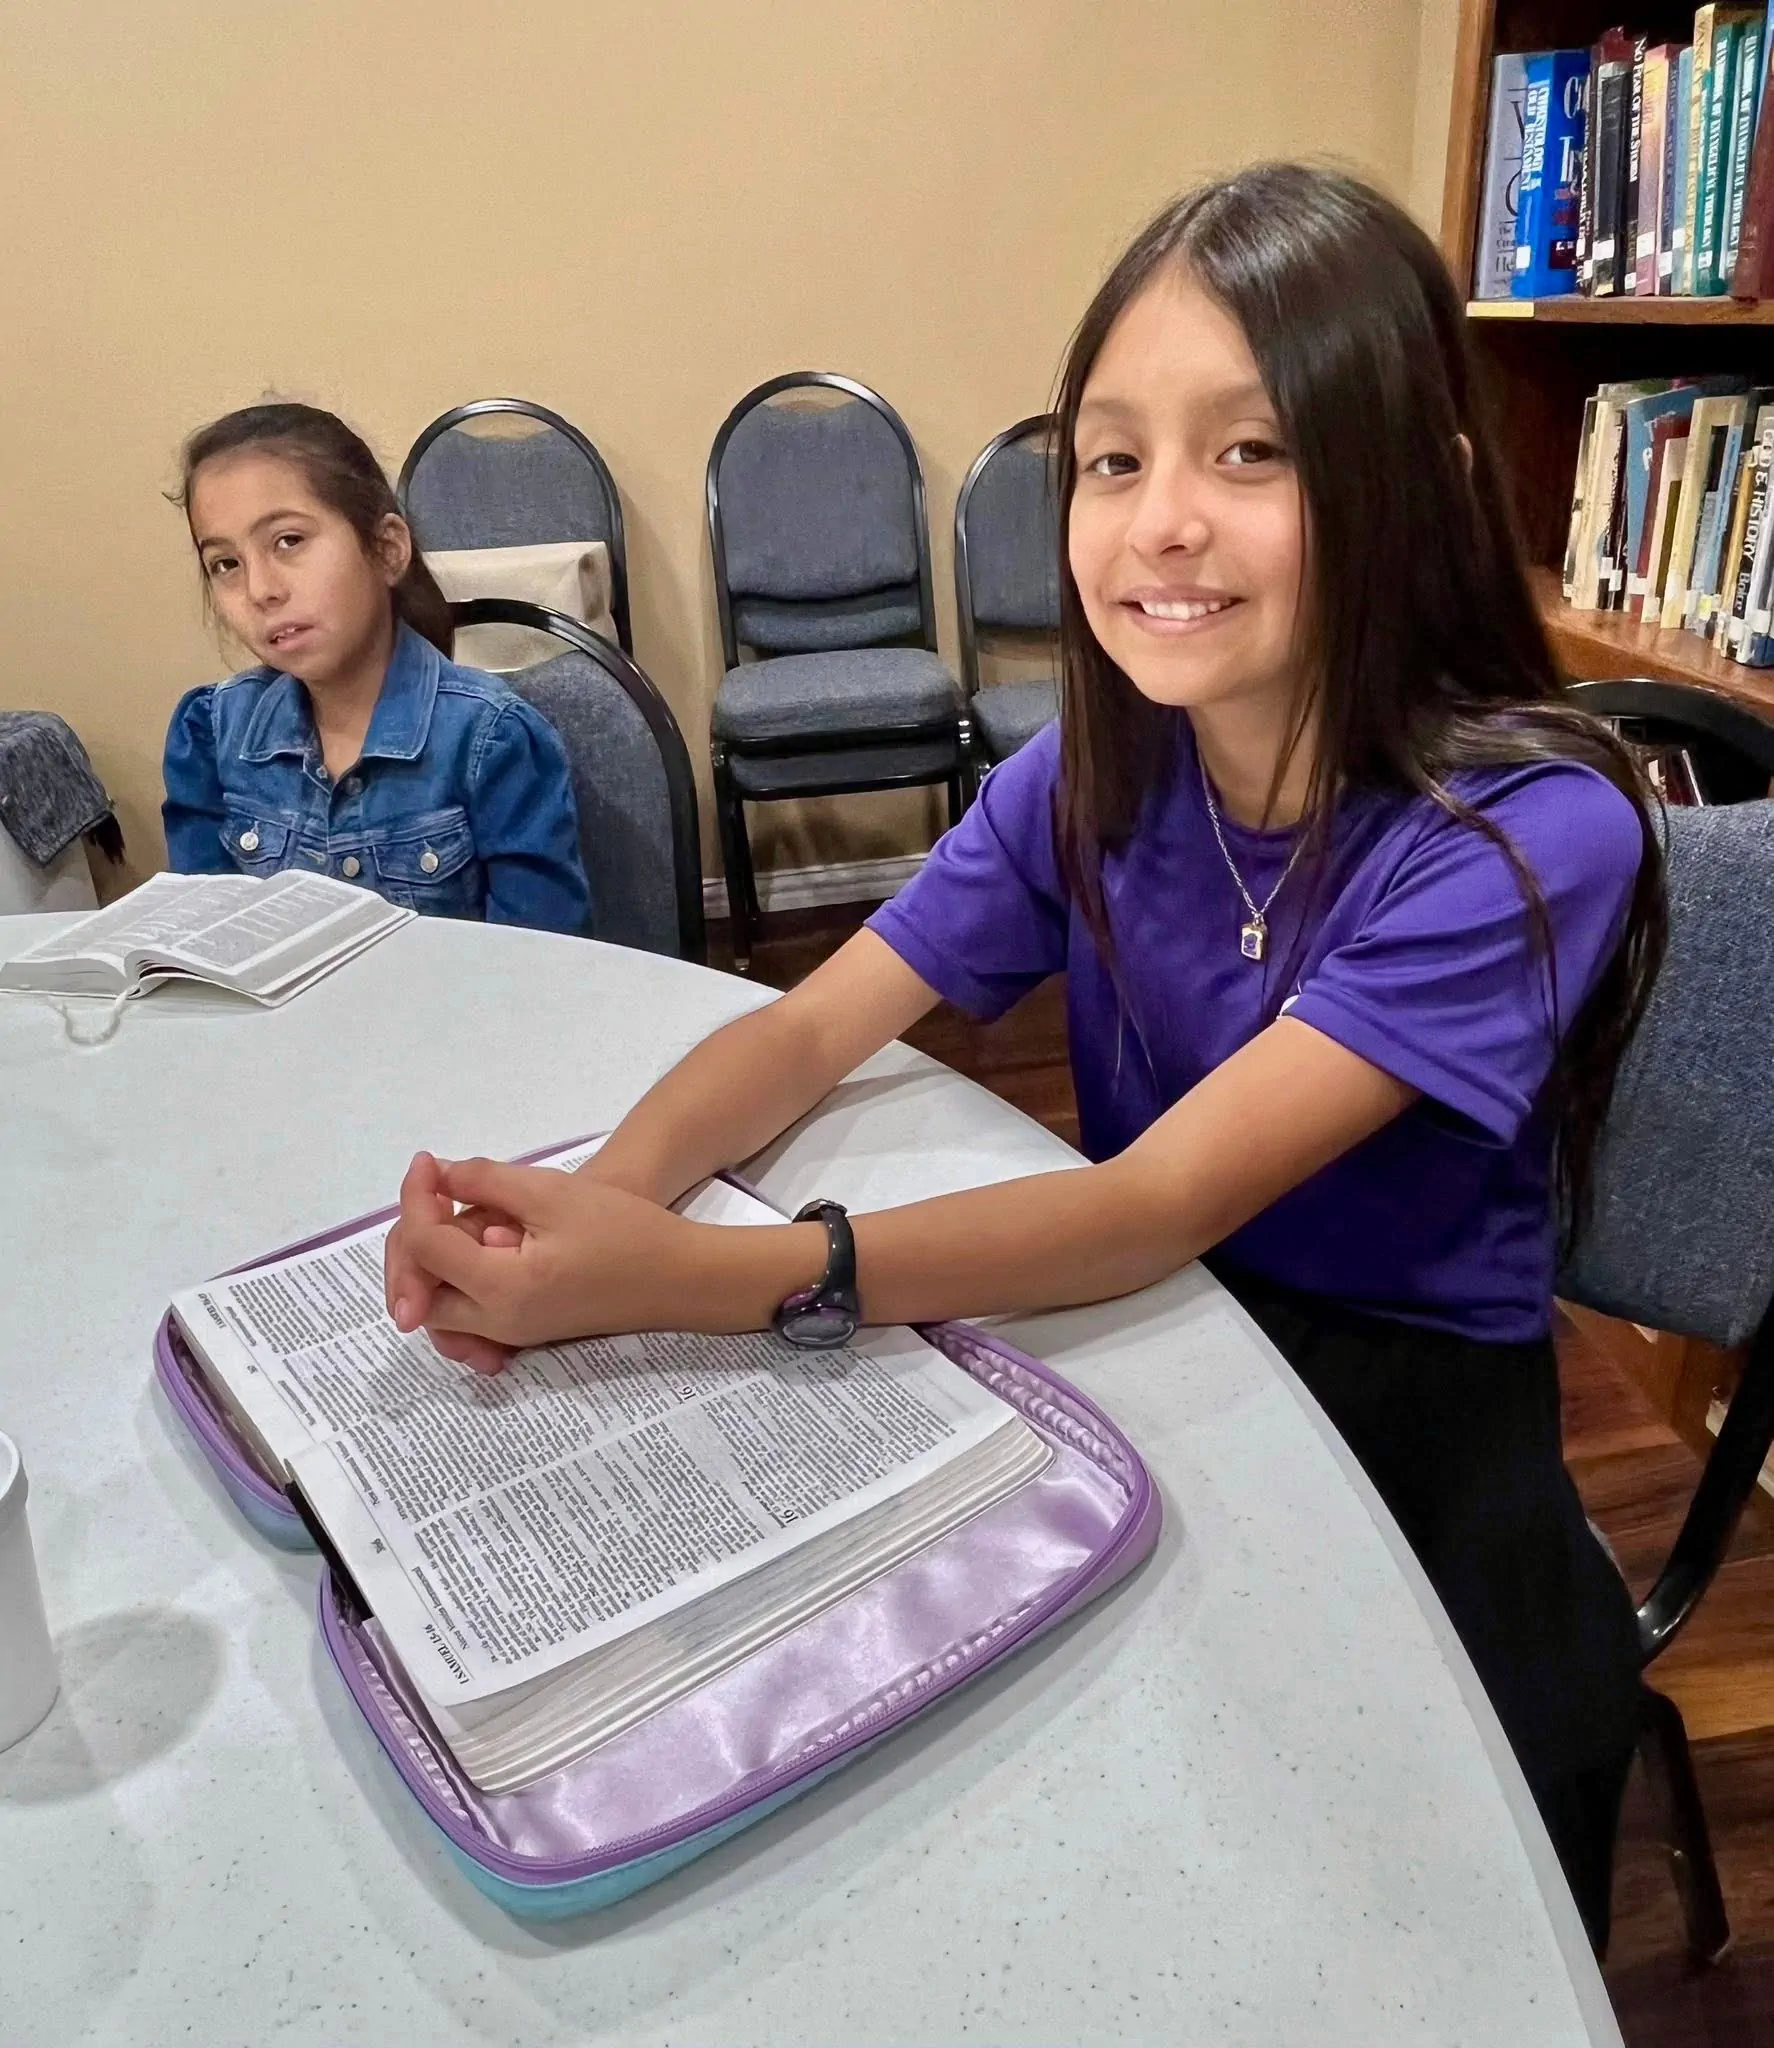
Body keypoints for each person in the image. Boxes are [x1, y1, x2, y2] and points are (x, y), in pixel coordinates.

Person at [384, 165, 1667, 1948]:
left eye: (1251, 452)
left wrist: (682, 1278)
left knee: (1365, 1898)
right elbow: (810, 1024)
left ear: (1422, 485)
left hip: (1403, 1423)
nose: (1158, 523)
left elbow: (1148, 1204)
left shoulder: (1527, 831)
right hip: (1147, 1345)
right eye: (1111, 459)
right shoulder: (1092, 770)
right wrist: (598, 1211)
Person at [162, 403, 591, 934]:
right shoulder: (210, 733)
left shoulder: (491, 740)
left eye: (289, 541)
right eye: (226, 564)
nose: (260, 590)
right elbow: (204, 943)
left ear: (387, 550)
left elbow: (537, 961)